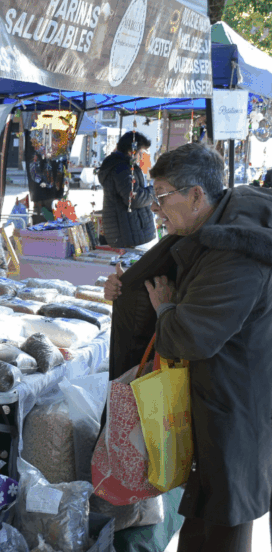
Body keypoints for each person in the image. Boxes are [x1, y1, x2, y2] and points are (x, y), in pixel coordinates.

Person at [104, 143, 272, 552]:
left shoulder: (236, 253)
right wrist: (131, 293)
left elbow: (190, 335)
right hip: (219, 401)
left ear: (197, 195)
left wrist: (165, 311)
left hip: (233, 409)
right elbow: (187, 286)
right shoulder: (216, 227)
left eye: (162, 197)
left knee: (222, 522)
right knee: (207, 517)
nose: (156, 208)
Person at [98, 131, 156, 248]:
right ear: (131, 151)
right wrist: (154, 190)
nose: (141, 157)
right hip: (128, 233)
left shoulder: (120, 166)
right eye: (140, 153)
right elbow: (134, 199)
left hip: (127, 231)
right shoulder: (122, 169)